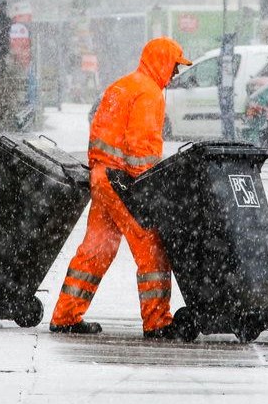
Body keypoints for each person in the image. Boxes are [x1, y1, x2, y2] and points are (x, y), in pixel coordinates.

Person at [50, 37, 192, 339]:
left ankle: (65, 315)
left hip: (102, 177)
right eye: (175, 66)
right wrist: (149, 186)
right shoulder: (150, 94)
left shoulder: (122, 86)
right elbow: (139, 149)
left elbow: (101, 131)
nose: (176, 74)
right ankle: (157, 322)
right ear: (162, 61)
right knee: (151, 247)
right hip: (124, 181)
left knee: (96, 249)